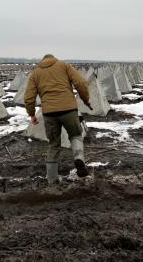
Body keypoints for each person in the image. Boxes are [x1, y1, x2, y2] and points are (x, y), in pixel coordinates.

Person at [24, 54, 92, 184]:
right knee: (76, 135)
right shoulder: (64, 65)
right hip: (69, 110)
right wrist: (85, 99)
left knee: (53, 145)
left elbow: (29, 97)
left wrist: (32, 114)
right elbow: (80, 83)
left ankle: (52, 179)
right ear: (54, 59)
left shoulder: (36, 73)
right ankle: (79, 158)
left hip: (49, 114)